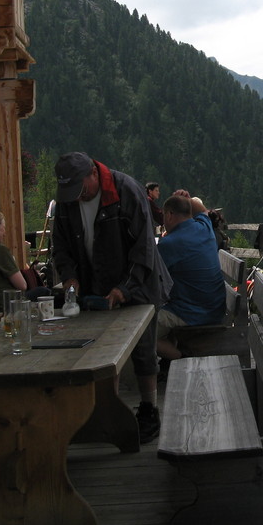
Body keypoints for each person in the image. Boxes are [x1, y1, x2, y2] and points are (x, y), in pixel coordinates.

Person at [52, 152, 172, 444]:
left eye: (81, 190)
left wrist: (124, 289)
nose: (77, 197)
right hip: (95, 285)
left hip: (139, 283)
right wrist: (69, 277)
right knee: (102, 353)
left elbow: (143, 248)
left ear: (93, 173)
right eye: (70, 193)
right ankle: (109, 412)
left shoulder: (125, 190)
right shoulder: (68, 202)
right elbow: (62, 246)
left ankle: (149, 409)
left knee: (144, 351)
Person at [155, 192, 226, 364]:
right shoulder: (204, 226)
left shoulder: (168, 244)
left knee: (138, 332)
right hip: (215, 308)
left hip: (192, 313)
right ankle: (170, 358)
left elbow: (150, 279)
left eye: (164, 216)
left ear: (170, 215)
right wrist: (187, 199)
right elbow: (198, 205)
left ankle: (181, 358)